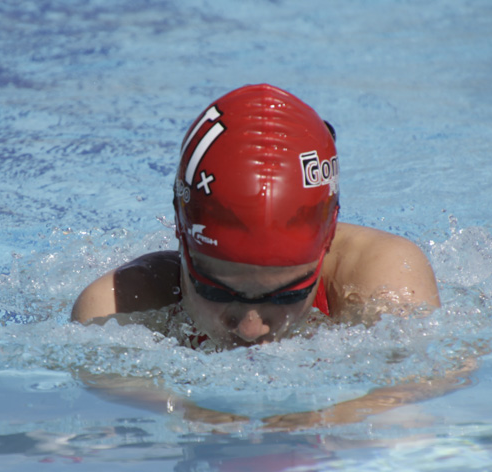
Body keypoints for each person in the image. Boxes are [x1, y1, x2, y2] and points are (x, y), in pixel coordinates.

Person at [71, 83, 440, 348]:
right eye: (215, 289)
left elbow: (421, 400)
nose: (251, 328)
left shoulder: (384, 279)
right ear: (181, 234)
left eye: (285, 295)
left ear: (326, 242)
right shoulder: (119, 309)